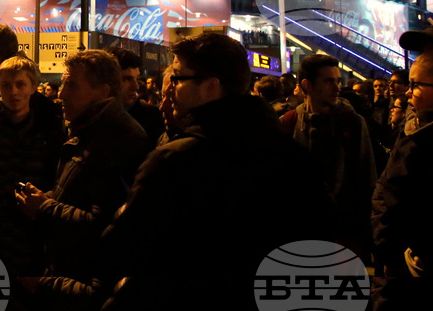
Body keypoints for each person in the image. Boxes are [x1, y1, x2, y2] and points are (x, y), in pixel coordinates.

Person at [98, 33, 337, 310]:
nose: (170, 90)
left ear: (211, 87)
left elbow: (123, 248)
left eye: (177, 79)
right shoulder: (293, 157)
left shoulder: (176, 161)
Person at [15, 49, 148, 307]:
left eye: (72, 85)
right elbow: (83, 197)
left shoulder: (117, 139)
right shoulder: (88, 130)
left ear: (103, 91)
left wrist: (44, 207)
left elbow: (106, 223)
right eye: (63, 84)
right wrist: (50, 197)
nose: (61, 93)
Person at [372, 20, 433, 309]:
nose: (407, 91)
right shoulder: (413, 126)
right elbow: (387, 191)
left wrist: (420, 253)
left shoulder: (429, 135)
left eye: (416, 85)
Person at [0, 54, 66, 288]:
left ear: (33, 87)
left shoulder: (48, 130)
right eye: (6, 85)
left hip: (33, 234)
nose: (13, 92)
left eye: (20, 84)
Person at [281, 53, 377, 260]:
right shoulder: (288, 123)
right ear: (307, 85)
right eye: (328, 81)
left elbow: (367, 179)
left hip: (344, 233)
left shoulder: (352, 123)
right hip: (299, 230)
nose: (337, 88)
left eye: (338, 81)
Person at [104, 47, 165, 148]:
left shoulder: (151, 117)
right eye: (126, 79)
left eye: (136, 78)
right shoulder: (88, 115)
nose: (136, 86)